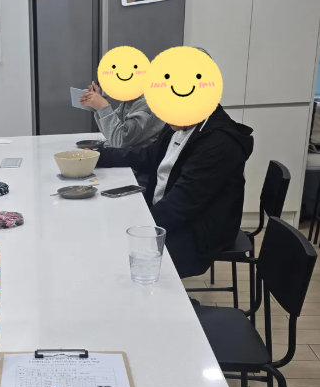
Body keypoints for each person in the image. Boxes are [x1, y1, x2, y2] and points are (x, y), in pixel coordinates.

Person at [98, 104, 254, 278]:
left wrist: (141, 225)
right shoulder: (179, 124)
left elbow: (183, 202)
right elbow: (150, 155)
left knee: (121, 260)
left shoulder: (218, 142)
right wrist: (102, 156)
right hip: (172, 214)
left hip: (201, 231)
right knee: (109, 228)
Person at [79, 81, 165, 148]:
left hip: (141, 163)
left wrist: (102, 107)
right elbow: (111, 133)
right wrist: (96, 104)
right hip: (130, 157)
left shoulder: (148, 104)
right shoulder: (129, 102)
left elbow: (120, 140)